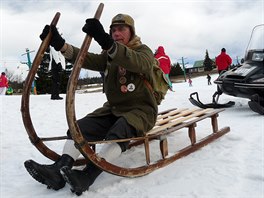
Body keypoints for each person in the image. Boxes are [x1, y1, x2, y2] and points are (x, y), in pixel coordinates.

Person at [24, 14, 158, 195]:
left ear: (131, 32)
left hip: (141, 110)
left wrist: (106, 41)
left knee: (120, 130)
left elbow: (138, 63)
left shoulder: (143, 51)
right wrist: (60, 44)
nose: (116, 33)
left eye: (122, 29)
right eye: (113, 30)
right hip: (114, 108)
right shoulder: (109, 56)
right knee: (80, 128)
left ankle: (87, 176)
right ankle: (59, 169)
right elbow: (86, 58)